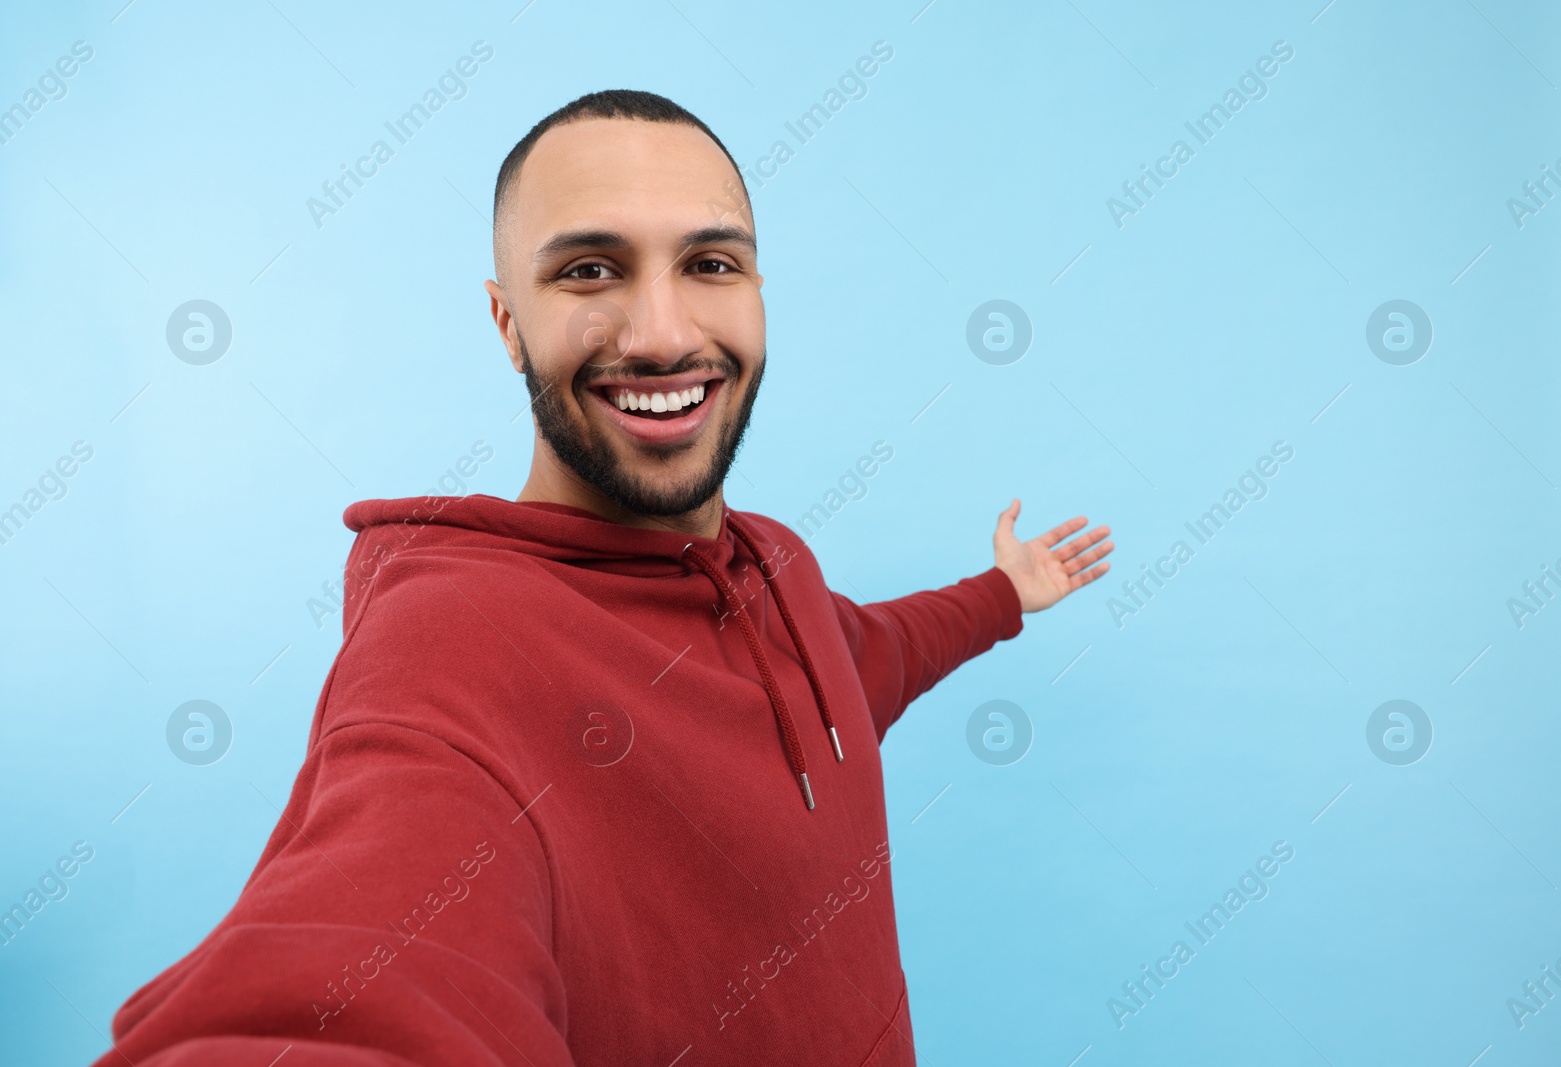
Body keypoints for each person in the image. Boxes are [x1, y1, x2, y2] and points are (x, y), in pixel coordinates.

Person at [95, 89, 1112, 1066]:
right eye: (589, 270)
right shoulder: (453, 648)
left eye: (710, 263)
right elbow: (353, 969)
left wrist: (999, 596)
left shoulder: (775, 563)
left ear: (757, 294)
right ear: (506, 324)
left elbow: (859, 657)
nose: (664, 333)